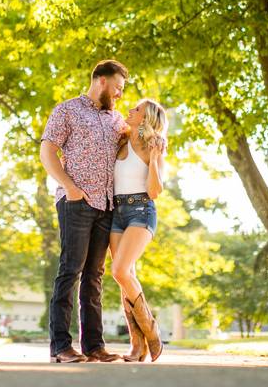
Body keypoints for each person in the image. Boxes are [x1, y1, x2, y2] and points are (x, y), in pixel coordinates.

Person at [40, 59, 129, 363]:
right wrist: (70, 187)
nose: (119, 94)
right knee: (70, 271)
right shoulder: (67, 110)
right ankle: (61, 346)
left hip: (106, 206)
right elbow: (47, 151)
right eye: (117, 87)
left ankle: (94, 346)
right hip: (76, 202)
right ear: (101, 80)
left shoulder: (117, 121)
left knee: (94, 277)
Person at [109, 98, 167, 362]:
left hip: (141, 211)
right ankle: (137, 346)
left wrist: (154, 159)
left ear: (146, 118)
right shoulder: (120, 140)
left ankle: (151, 331)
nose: (130, 110)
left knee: (120, 271)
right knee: (124, 278)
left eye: (137, 110)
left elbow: (154, 191)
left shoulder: (152, 146)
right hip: (116, 213)